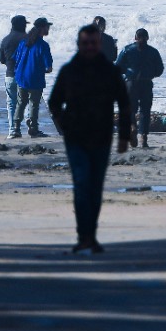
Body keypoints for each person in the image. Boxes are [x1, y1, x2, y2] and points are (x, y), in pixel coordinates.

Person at [47, 23, 131, 254]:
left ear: (100, 44)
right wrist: (64, 124)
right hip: (75, 138)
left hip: (102, 137)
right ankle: (83, 236)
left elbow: (124, 105)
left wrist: (124, 136)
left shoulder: (111, 71)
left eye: (94, 43)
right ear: (78, 44)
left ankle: (90, 236)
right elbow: (54, 102)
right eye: (85, 43)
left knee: (94, 189)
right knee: (81, 184)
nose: (90, 47)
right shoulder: (69, 71)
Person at [115, 28, 164, 149]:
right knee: (145, 111)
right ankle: (144, 138)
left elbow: (117, 66)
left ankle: (132, 127)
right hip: (146, 83)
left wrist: (127, 72)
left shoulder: (127, 49)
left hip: (131, 83)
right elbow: (160, 69)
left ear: (135, 37)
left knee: (131, 109)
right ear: (147, 38)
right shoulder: (153, 51)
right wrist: (152, 74)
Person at [12, 17, 54, 138]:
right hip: (35, 78)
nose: (48, 29)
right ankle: (33, 128)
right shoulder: (43, 45)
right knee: (34, 104)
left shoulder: (23, 42)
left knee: (21, 102)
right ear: (42, 28)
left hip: (21, 77)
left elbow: (15, 59)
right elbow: (49, 67)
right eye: (47, 27)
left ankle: (16, 128)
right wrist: (43, 70)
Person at [0, 15, 29, 138]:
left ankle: (13, 131)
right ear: (22, 25)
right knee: (27, 101)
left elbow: (2, 60)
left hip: (10, 75)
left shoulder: (5, 40)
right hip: (26, 76)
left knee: (11, 103)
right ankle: (30, 123)